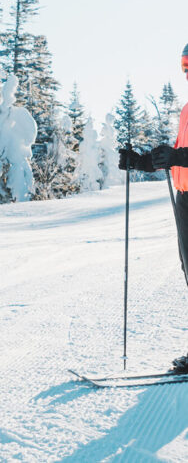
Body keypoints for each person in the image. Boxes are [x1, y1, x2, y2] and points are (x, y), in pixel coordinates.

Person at [118, 43, 188, 373]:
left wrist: (177, 157)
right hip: (185, 197)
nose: (187, 70)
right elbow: (176, 154)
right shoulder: (187, 110)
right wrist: (143, 162)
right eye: (184, 64)